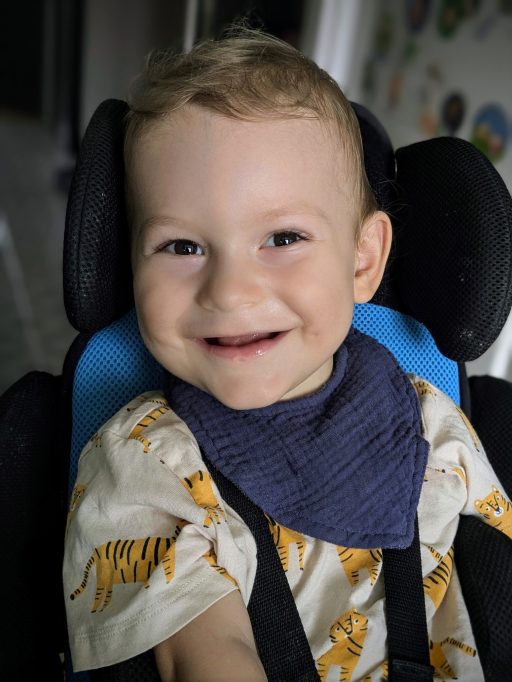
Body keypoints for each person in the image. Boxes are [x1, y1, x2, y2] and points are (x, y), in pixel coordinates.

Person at [63, 21, 511, 682]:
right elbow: (206, 656)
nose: (230, 291)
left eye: (282, 238)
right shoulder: (144, 466)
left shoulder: (432, 425)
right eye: (182, 246)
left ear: (362, 261)